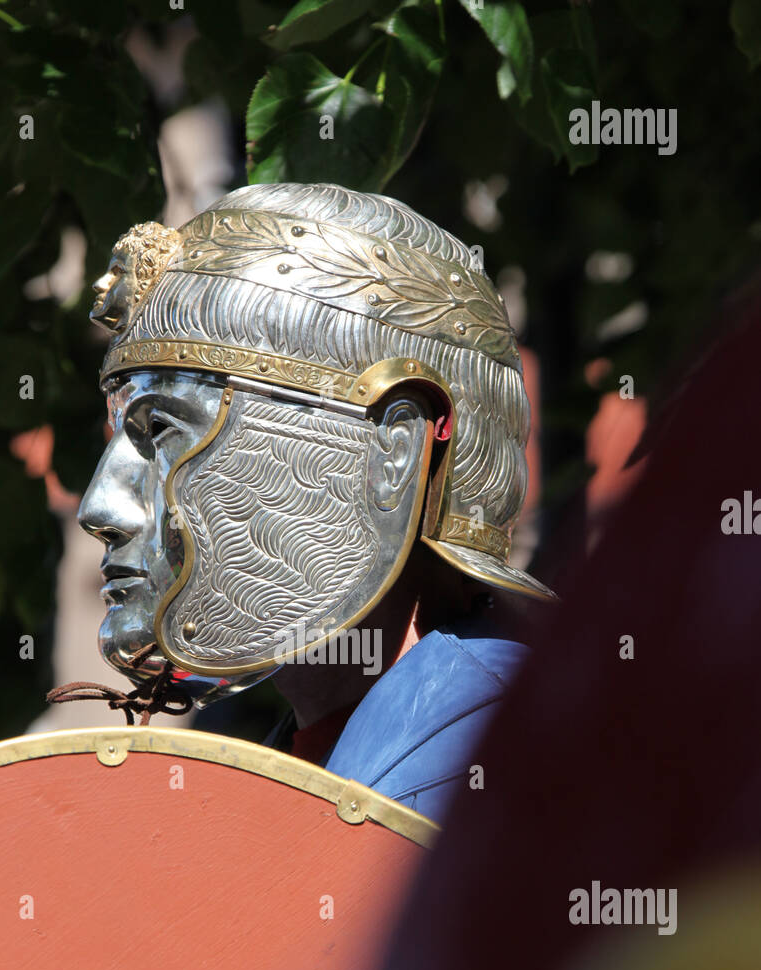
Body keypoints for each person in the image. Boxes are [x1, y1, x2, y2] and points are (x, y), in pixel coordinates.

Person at [78, 183, 554, 819]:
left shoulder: (504, 762)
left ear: (395, 451)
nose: (99, 510)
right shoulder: (321, 754)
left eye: (162, 430)